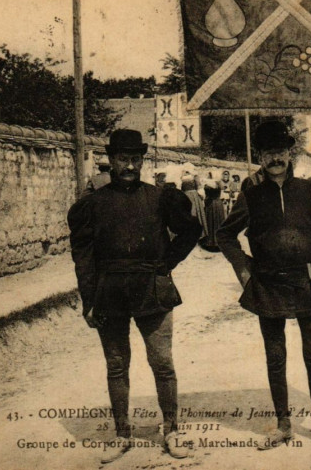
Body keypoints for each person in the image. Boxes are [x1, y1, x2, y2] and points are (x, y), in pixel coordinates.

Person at [217, 121, 311, 450]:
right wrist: (244, 269)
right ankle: (282, 426)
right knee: (275, 358)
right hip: (267, 283)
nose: (275, 158)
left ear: (289, 154)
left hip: (305, 282)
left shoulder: (310, 190)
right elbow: (224, 235)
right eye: (268, 153)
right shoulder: (250, 194)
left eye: (280, 151)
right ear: (261, 157)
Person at [67, 129, 200, 464]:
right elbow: (83, 257)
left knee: (162, 362)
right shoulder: (93, 204)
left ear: (142, 160)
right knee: (116, 365)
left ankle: (171, 429)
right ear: (111, 161)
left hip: (152, 290)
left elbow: (191, 231)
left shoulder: (159, 198)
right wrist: (88, 300)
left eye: (135, 159)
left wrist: (165, 264)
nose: (130, 165)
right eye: (123, 159)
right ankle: (122, 433)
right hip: (109, 292)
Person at [199, 179, 225, 252]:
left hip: (210, 205)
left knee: (211, 222)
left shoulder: (208, 185)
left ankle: (211, 242)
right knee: (217, 222)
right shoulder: (219, 184)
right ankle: (218, 242)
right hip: (218, 204)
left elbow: (204, 195)